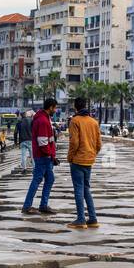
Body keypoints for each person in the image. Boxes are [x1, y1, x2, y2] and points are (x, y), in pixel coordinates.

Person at [66, 96, 102, 229]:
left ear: (75, 107)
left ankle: (81, 219)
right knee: (86, 189)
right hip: (89, 160)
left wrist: (70, 156)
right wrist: (92, 154)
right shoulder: (94, 122)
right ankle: (92, 218)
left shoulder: (75, 121)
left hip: (78, 160)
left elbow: (74, 142)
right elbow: (99, 144)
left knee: (79, 189)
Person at [22, 98, 59, 215]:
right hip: (43, 157)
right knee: (37, 179)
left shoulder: (44, 118)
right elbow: (43, 142)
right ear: (51, 107)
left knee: (49, 179)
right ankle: (27, 206)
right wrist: (50, 155)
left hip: (46, 156)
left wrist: (52, 155)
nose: (56, 110)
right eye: (55, 108)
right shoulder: (43, 120)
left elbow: (49, 140)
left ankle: (43, 205)